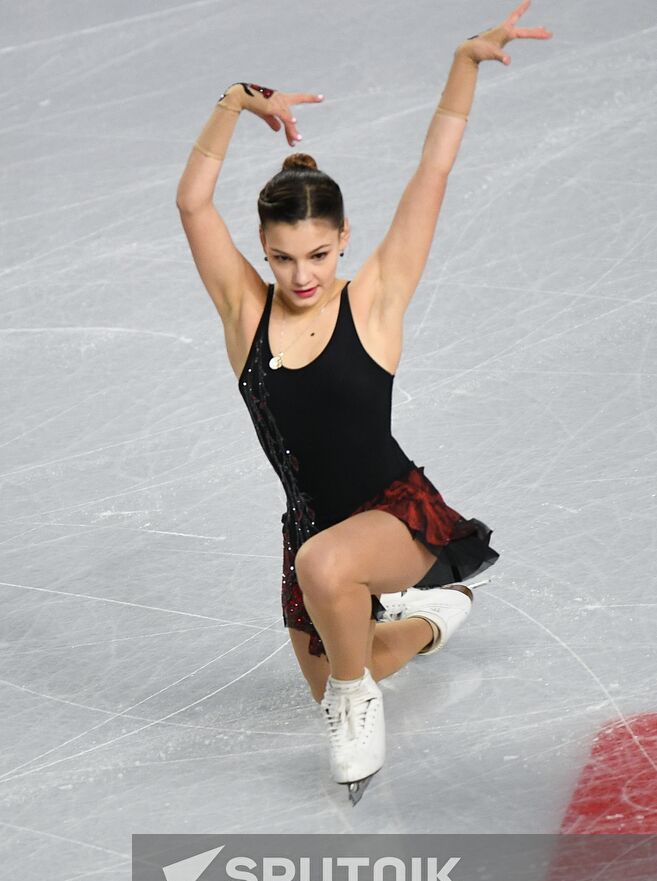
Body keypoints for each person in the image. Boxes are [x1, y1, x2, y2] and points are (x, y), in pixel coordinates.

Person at [176, 1, 553, 802]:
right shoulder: (246, 315)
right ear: (263, 252)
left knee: (338, 641)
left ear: (344, 238)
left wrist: (463, 63)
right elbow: (192, 206)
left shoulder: (373, 301)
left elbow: (432, 171)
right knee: (346, 644)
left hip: (392, 517)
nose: (300, 275)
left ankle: (358, 698)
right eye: (280, 258)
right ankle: (429, 620)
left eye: (316, 253)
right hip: (310, 533)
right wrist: (235, 100)